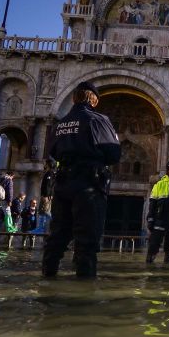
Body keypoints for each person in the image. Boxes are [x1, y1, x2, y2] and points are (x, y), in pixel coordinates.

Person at [42, 81, 121, 277]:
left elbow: (51, 151)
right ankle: (83, 293)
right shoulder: (97, 119)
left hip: (62, 185)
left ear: (74, 97)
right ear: (93, 100)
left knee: (57, 237)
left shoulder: (61, 123)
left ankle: (47, 280)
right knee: (87, 239)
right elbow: (113, 153)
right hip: (88, 185)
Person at [146, 161, 169, 264]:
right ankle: (149, 270)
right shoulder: (158, 184)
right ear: (168, 168)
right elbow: (152, 205)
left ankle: (167, 272)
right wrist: (150, 220)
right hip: (159, 220)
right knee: (153, 246)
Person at [37, 160, 55, 234]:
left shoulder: (50, 173)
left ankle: (43, 229)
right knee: (42, 212)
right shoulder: (50, 173)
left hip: (46, 196)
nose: (44, 165)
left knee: (45, 212)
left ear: (48, 164)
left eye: (45, 164)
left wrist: (46, 195)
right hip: (46, 195)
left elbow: (48, 185)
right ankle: (41, 228)